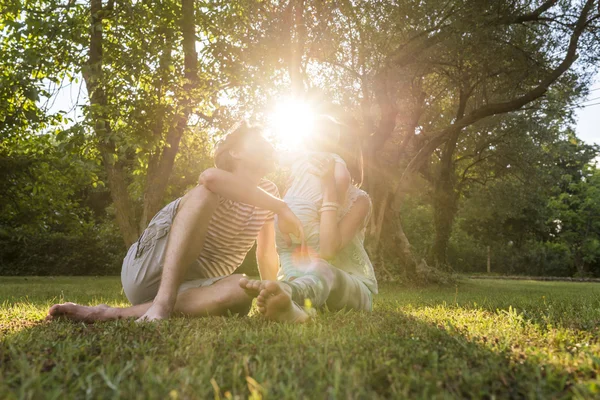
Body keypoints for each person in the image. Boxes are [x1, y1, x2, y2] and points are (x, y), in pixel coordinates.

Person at [47, 121, 305, 322]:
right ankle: (162, 303)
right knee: (206, 191)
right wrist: (281, 207)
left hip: (193, 287)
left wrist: (271, 292)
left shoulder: (269, 193)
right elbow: (210, 179)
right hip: (149, 269)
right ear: (236, 152)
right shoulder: (218, 180)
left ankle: (108, 314)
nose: (271, 146)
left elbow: (265, 254)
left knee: (243, 290)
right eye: (261, 142)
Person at [239, 115, 378, 323]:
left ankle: (289, 295)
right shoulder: (300, 194)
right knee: (301, 277)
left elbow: (328, 251)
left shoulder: (360, 200)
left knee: (322, 268)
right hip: (301, 280)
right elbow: (276, 248)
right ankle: (289, 301)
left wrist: (329, 187)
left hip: (351, 287)